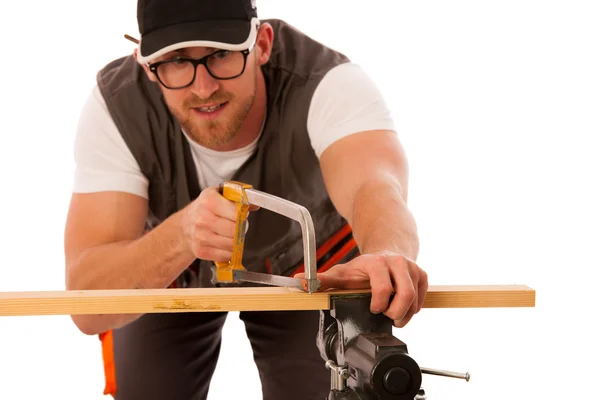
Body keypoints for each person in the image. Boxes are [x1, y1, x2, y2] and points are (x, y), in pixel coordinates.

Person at [64, 0, 428, 399]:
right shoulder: (114, 107)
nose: (203, 88)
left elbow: (375, 186)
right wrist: (181, 237)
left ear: (262, 44)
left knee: (340, 387)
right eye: (176, 61)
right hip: (172, 273)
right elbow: (87, 304)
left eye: (221, 55)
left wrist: (387, 255)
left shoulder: (328, 82)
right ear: (146, 64)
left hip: (314, 270)